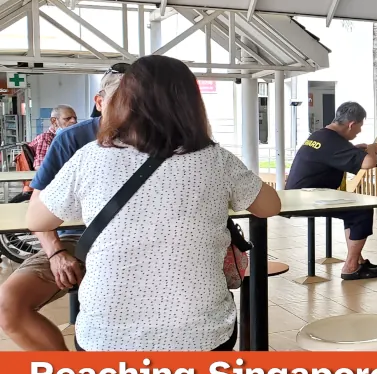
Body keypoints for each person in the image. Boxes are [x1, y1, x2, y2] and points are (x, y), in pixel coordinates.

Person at [25, 55, 281, 351]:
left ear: (123, 100)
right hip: (200, 334)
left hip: (106, 336)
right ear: (191, 104)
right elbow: (270, 206)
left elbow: (36, 220)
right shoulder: (217, 160)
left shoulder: (90, 157)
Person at [0, 63, 127, 351]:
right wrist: (55, 252)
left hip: (140, 241)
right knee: (9, 305)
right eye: (122, 100)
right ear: (100, 102)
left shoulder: (165, 139)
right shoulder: (74, 140)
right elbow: (37, 206)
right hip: (78, 238)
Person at [285, 102, 377, 280]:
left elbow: (331, 154)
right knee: (361, 210)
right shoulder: (333, 141)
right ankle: (351, 267)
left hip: (296, 196)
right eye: (360, 126)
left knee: (353, 209)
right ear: (351, 124)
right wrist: (370, 149)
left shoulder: (320, 135)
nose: (359, 131)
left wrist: (354, 150)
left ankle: (358, 261)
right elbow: (369, 163)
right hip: (306, 198)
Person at [26, 105, 78, 169]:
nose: (74, 121)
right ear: (54, 121)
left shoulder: (69, 138)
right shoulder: (46, 138)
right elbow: (41, 167)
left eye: (75, 118)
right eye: (68, 118)